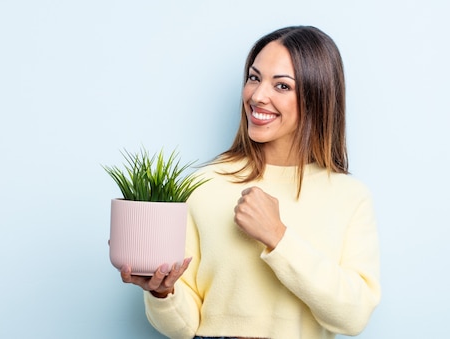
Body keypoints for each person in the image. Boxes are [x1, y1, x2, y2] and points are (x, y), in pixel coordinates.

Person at [120, 25, 381, 339]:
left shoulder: (349, 196)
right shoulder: (202, 185)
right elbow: (184, 326)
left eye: (282, 86)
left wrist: (278, 237)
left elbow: (353, 317)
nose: (257, 96)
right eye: (254, 78)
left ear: (317, 96)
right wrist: (162, 294)